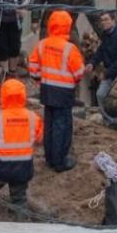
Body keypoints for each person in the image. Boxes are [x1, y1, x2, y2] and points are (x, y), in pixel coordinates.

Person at [28, 10, 85, 172]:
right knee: (63, 125)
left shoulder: (42, 44)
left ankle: (50, 158)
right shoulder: (70, 49)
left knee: (50, 124)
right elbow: (79, 72)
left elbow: (32, 66)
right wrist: (73, 80)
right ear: (67, 26)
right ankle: (60, 161)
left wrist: (39, 77)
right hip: (64, 91)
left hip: (46, 89)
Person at [0, 79, 43, 222]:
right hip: (23, 167)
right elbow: (39, 140)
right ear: (23, 95)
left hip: (1, 167)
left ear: (3, 96)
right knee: (19, 199)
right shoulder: (33, 118)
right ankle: (20, 230)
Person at [84, 13, 117, 107]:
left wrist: (106, 73)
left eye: (106, 19)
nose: (103, 22)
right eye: (102, 20)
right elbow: (101, 51)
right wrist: (92, 63)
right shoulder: (106, 35)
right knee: (101, 95)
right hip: (112, 74)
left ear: (113, 20)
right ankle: (111, 120)